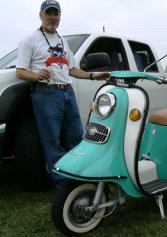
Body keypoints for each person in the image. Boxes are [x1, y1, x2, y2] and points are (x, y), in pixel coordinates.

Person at [16, 0, 109, 187]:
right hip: (46, 94)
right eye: (48, 13)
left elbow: (72, 70)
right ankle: (64, 185)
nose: (52, 18)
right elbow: (20, 71)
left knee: (76, 138)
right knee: (53, 142)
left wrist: (93, 76)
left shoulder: (62, 41)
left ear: (59, 17)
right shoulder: (30, 40)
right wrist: (35, 75)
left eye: (56, 14)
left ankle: (79, 178)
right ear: (40, 15)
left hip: (67, 92)